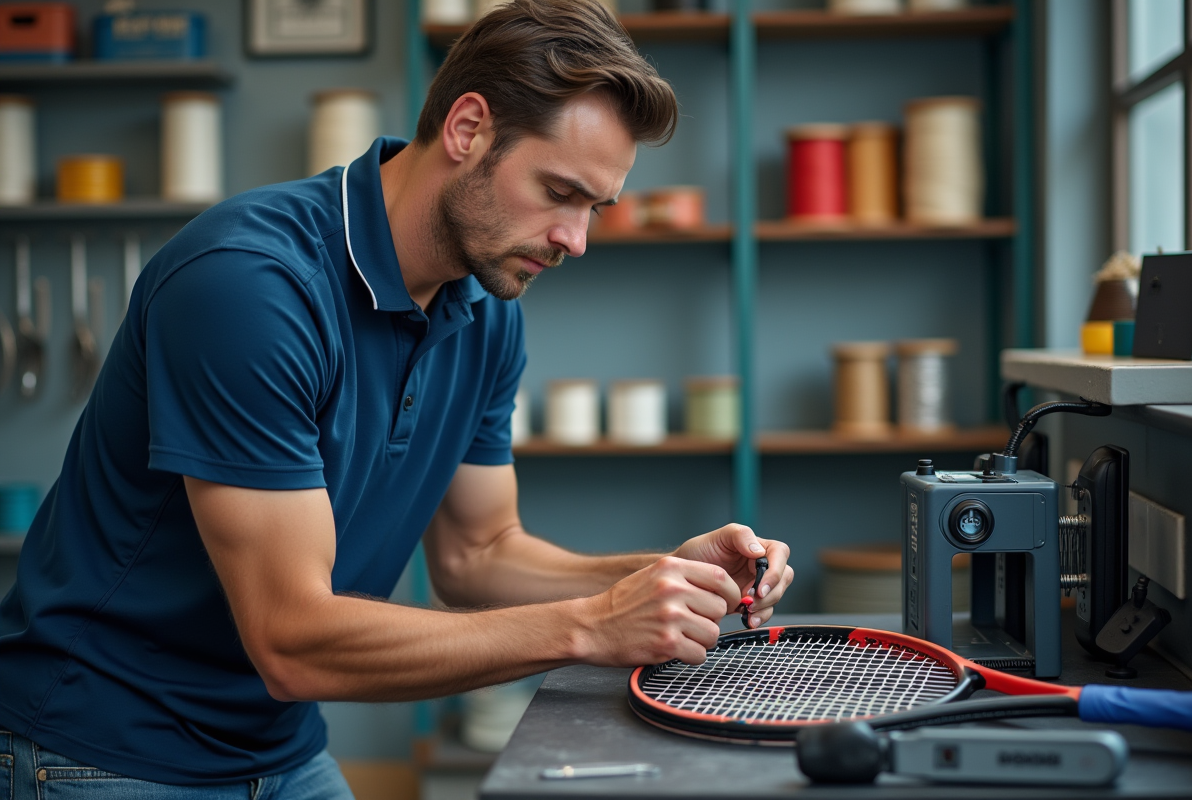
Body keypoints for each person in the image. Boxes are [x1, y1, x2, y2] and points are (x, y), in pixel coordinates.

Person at [0, 0, 794, 795]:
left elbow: (477, 554)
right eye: (558, 191)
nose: (574, 240)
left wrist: (663, 578)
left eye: (594, 207)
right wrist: (592, 625)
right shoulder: (247, 287)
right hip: (94, 745)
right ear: (468, 129)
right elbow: (292, 641)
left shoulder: (484, 308)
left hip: (274, 747)